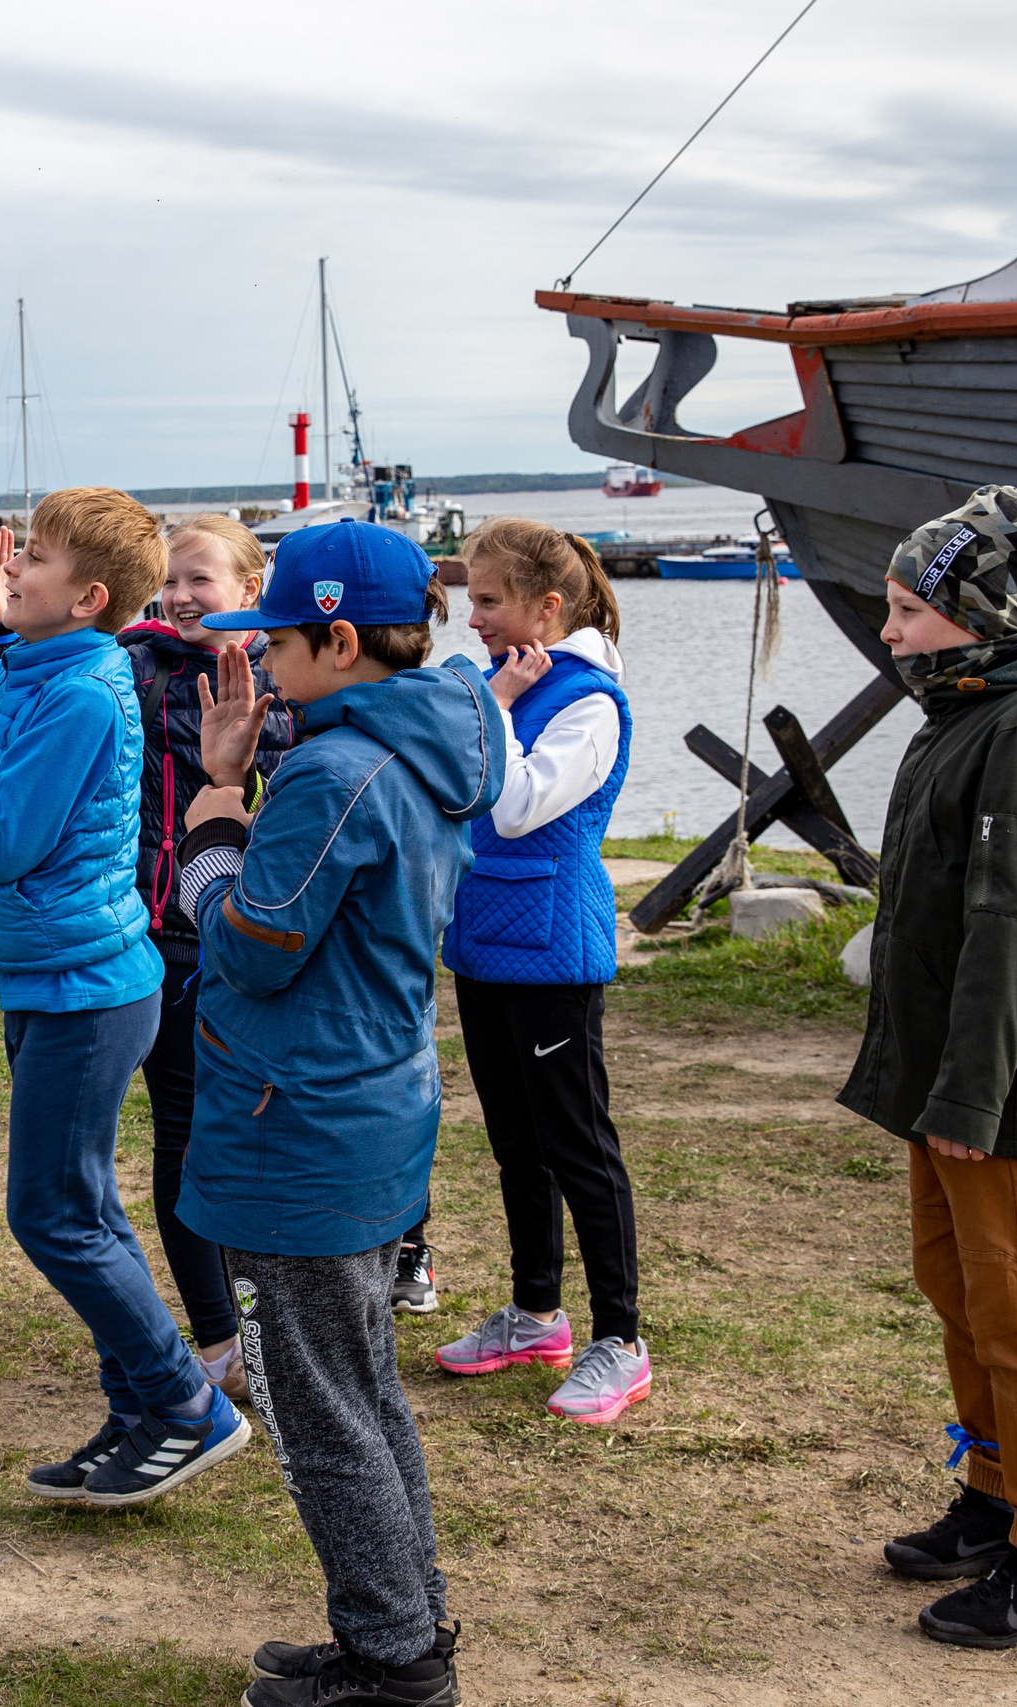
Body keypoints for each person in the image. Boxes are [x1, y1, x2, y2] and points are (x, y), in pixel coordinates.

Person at [0, 487, 253, 1509]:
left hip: (88, 989)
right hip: (46, 978)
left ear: (87, 598)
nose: (10, 569)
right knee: (84, 1206)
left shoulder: (84, 693)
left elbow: (1, 837)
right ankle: (138, 1412)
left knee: (49, 1215)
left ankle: (187, 1406)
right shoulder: (28, 668)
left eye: (33, 559)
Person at [174, 520, 499, 1707]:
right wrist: (245, 779)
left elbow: (256, 946)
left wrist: (215, 816)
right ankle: (403, 1622)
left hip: (295, 1126)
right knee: (363, 1390)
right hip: (369, 1108)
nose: (262, 663)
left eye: (278, 643)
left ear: (342, 639)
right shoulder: (424, 746)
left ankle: (390, 1663)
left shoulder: (334, 769)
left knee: (320, 1415)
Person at [838, 485, 1017, 1649]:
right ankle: (997, 1492)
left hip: (1003, 1089)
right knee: (960, 1294)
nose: (890, 631)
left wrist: (970, 1093)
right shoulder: (967, 703)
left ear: (978, 613)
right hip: (950, 1077)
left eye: (907, 610)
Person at [430, 519, 647, 1425]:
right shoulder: (506, 683)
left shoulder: (587, 700)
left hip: (554, 948)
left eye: (488, 600)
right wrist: (488, 700)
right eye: (471, 598)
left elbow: (516, 806)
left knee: (577, 1143)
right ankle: (535, 1313)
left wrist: (497, 708)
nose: (471, 617)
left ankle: (621, 1339)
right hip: (483, 938)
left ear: (546, 608)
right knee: (516, 1140)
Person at [116, 515, 292, 1401]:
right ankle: (219, 1338)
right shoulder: (135, 663)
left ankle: (285, 1326)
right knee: (181, 1138)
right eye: (169, 580)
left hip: (251, 939)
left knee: (260, 1138)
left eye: (200, 581)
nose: (179, 597)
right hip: (159, 941)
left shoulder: (284, 679)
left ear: (251, 593)